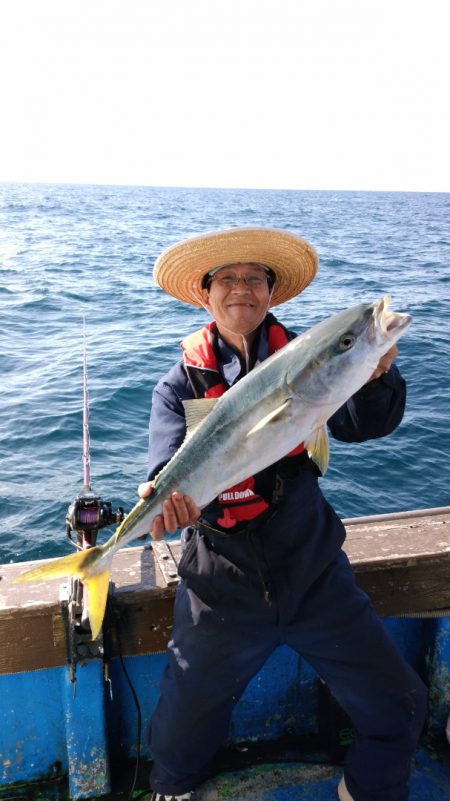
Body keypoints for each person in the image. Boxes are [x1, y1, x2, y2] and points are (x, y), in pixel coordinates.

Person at [138, 227, 427, 801]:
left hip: (312, 567)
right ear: (206, 294)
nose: (241, 288)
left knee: (400, 705)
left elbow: (363, 424)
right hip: (222, 581)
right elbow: (167, 465)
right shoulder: (179, 385)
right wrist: (162, 502)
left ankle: (365, 790)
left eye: (254, 279)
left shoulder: (311, 355)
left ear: (272, 294)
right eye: (226, 279)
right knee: (177, 736)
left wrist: (375, 373)